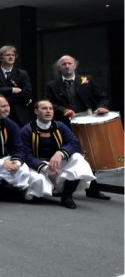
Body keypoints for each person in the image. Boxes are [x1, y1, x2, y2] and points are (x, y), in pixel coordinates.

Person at [45, 54, 111, 200]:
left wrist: (101, 107)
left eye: (69, 63)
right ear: (59, 68)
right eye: (64, 64)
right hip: (64, 125)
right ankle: (61, 186)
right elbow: (49, 104)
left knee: (89, 154)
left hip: (87, 124)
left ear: (75, 65)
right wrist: (63, 110)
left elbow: (102, 97)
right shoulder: (52, 85)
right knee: (65, 155)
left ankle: (93, 189)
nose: (67, 66)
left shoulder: (87, 80)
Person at [0, 93, 52, 201]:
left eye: (7, 106)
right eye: (3, 106)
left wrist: (16, 163)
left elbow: (18, 148)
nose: (7, 109)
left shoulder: (10, 124)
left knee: (23, 170)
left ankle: (5, 188)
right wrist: (3, 163)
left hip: (2, 159)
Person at [20, 100, 96, 209]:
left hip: (57, 163)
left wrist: (61, 152)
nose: (48, 111)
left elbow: (75, 143)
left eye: (50, 108)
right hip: (37, 166)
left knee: (78, 159)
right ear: (36, 111)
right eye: (44, 108)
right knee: (37, 191)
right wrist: (44, 167)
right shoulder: (27, 130)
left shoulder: (60, 126)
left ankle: (67, 196)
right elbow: (26, 155)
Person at [0, 45, 33, 126]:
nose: (11, 57)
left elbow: (27, 94)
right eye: (7, 55)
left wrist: (5, 99)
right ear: (0, 58)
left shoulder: (22, 74)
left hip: (20, 115)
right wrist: (11, 90)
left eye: (13, 55)